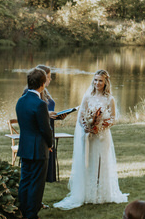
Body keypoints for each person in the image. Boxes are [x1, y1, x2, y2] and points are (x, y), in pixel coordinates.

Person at [54, 70, 127, 209]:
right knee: (88, 161)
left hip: (102, 136)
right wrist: (86, 126)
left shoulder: (109, 99)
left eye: (100, 80)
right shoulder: (87, 96)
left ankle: (101, 194)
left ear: (105, 82)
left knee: (101, 162)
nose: (97, 83)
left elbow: (112, 119)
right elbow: (81, 115)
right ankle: (88, 193)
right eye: (95, 80)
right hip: (88, 136)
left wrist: (99, 127)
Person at [16, 68, 54, 219]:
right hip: (38, 148)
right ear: (42, 84)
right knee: (37, 183)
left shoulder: (20, 101)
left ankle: (23, 213)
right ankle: (32, 216)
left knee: (25, 180)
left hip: (25, 146)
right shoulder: (40, 104)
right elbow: (45, 129)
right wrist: (50, 144)